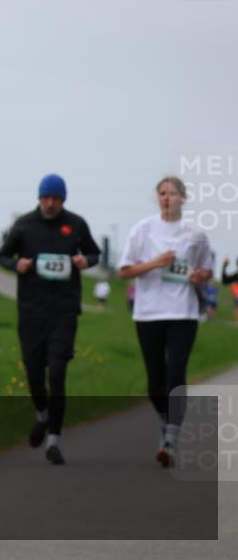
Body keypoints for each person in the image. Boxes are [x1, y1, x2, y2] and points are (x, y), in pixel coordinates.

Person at [0, 174, 101, 465]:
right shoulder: (24, 225)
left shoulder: (76, 225)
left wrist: (86, 261)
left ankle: (54, 440)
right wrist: (15, 263)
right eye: (46, 197)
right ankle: (42, 413)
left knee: (57, 372)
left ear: (63, 199)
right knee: (33, 372)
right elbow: (3, 255)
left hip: (64, 311)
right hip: (31, 310)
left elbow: (94, 252)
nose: (50, 203)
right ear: (39, 198)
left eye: (55, 198)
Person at [118, 176, 214, 468]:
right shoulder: (142, 230)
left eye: (172, 193)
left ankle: (170, 439)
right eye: (162, 193)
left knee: (176, 373)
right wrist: (155, 263)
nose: (166, 198)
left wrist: (200, 276)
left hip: (183, 312)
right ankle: (165, 422)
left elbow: (206, 271)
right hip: (149, 313)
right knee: (155, 382)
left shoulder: (196, 234)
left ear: (183, 198)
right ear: (157, 198)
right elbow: (124, 271)